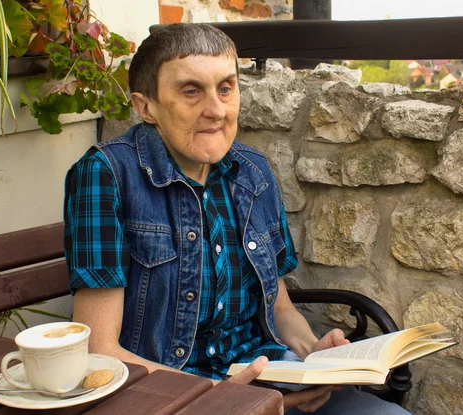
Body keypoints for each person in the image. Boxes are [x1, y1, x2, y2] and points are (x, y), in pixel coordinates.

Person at [63, 23, 410, 414]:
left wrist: (314, 354)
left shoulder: (253, 171)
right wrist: (219, 397)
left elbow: (280, 310)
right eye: (191, 90)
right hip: (172, 396)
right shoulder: (107, 174)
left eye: (226, 88)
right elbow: (101, 351)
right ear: (146, 107)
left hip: (270, 377)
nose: (215, 109)